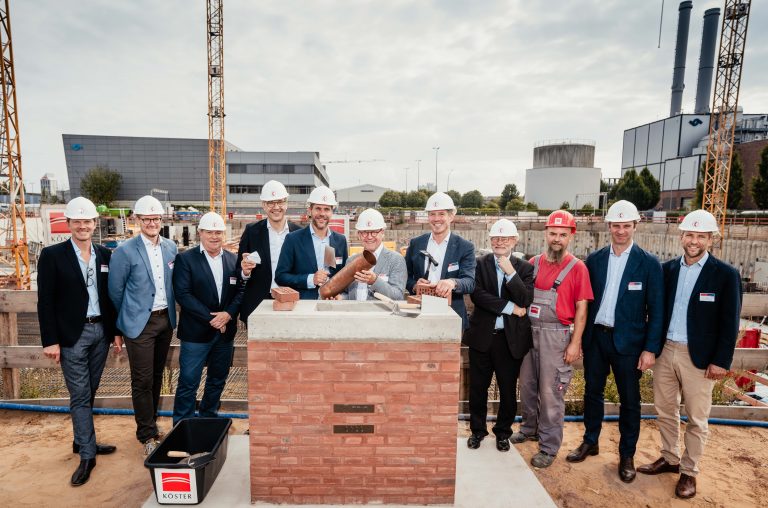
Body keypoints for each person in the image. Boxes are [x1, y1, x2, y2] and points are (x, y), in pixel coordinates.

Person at [637, 209, 742, 499]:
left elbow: (729, 322)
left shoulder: (725, 275)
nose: (694, 240)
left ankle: (689, 471)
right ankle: (670, 458)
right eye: (690, 235)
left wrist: (721, 361)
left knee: (697, 417)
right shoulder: (667, 270)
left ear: (711, 239)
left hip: (699, 357)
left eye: (701, 236)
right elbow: (654, 311)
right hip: (666, 350)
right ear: (681, 236)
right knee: (665, 409)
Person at [566, 200, 664, 483]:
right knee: (592, 392)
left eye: (626, 226)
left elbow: (657, 311)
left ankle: (627, 454)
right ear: (608, 226)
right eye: (616, 225)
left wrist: (650, 349)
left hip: (629, 344)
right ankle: (591, 440)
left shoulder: (648, 264)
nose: (621, 231)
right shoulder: (594, 260)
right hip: (597, 338)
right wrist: (580, 338)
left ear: (635, 226)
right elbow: (583, 303)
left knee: (630, 401)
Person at [37, 197, 121, 486]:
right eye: (77, 221)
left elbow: (112, 297)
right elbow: (45, 301)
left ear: (95, 224)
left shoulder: (105, 254)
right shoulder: (52, 255)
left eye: (88, 221)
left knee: (90, 389)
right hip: (72, 335)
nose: (83, 225)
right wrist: (50, 340)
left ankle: (81, 440)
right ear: (69, 224)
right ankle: (87, 455)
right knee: (81, 394)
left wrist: (116, 331)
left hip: (101, 332)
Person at [511, 210, 593, 468]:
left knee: (551, 393)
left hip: (557, 335)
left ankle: (548, 446)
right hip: (529, 331)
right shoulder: (533, 262)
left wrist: (575, 342)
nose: (556, 239)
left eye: (562, 234)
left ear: (571, 236)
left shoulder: (577, 268)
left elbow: (582, 308)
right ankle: (529, 428)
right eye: (553, 233)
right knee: (527, 385)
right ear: (546, 234)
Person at [108, 195, 177, 455]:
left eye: (155, 218)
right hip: (140, 324)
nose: (151, 223)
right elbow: (115, 291)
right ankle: (146, 434)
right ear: (137, 220)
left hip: (165, 320)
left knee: (157, 375)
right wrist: (124, 322)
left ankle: (151, 425)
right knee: (142, 379)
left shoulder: (170, 247)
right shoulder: (125, 251)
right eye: (146, 219)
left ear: (161, 219)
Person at [463, 219, 534, 452]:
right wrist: (509, 308)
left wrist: (510, 273)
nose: (500, 242)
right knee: (477, 388)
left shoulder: (524, 268)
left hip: (509, 340)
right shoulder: (479, 264)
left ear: (514, 240)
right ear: (490, 240)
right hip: (483, 337)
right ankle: (477, 431)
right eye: (496, 238)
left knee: (507, 390)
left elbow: (525, 299)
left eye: (505, 238)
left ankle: (503, 433)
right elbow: (478, 296)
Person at [172, 212, 243, 425]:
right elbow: (183, 294)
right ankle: (182, 425)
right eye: (209, 232)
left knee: (217, 380)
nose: (214, 237)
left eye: (218, 232)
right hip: (196, 334)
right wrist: (213, 319)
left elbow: (240, 290)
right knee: (188, 382)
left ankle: (208, 418)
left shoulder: (233, 260)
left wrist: (228, 314)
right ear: (200, 233)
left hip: (224, 336)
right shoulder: (186, 259)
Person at [404, 192, 476, 328]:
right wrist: (414, 285)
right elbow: (406, 276)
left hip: (452, 317)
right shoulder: (416, 244)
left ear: (451, 216)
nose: (436, 219)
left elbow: (470, 282)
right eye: (432, 214)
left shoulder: (465, 247)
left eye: (441, 214)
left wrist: (452, 282)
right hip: (419, 315)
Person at [237, 180, 301, 324]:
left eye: (280, 202)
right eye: (270, 203)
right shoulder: (251, 232)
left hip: (291, 302)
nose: (276, 207)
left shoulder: (299, 233)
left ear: (286, 203)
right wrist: (245, 271)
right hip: (258, 302)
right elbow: (237, 269)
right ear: (263, 205)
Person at [275, 186, 348, 299]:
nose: (322, 214)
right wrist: (310, 279)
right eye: (318, 208)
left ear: (332, 212)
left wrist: (341, 295)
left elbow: (344, 277)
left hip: (331, 305)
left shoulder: (340, 241)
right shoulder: (293, 239)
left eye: (327, 209)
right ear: (310, 210)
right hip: (304, 306)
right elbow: (280, 277)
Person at [338, 208, 406, 301]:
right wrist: (341, 298)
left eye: (374, 232)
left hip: (381, 315)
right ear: (359, 234)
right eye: (364, 232)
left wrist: (375, 281)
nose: (369, 237)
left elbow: (398, 296)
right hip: (355, 314)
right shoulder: (351, 261)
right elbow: (349, 294)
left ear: (382, 233)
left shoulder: (396, 260)